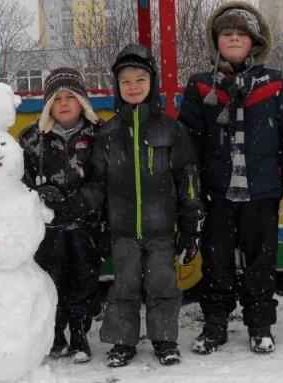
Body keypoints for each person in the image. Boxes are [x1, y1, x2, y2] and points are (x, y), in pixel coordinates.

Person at [178, 1, 283, 354]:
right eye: (226, 33)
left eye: (241, 33)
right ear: (215, 40)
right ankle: (216, 323)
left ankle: (260, 324)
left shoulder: (277, 84)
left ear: (255, 41)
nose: (234, 38)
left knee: (261, 263)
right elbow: (188, 143)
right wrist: (191, 191)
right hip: (217, 194)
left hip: (262, 193)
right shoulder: (201, 85)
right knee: (216, 262)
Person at [70, 43, 204, 368]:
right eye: (126, 81)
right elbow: (98, 184)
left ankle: (164, 339)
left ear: (151, 83)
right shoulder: (108, 134)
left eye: (140, 79)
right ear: (117, 86)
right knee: (124, 287)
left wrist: (190, 226)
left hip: (162, 229)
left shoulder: (170, 129)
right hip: (122, 230)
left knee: (162, 285)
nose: (133, 87)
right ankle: (122, 341)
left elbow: (187, 180)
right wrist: (99, 225)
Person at [18, 67, 103, 364]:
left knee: (84, 278)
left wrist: (81, 202)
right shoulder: (32, 138)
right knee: (50, 280)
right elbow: (19, 178)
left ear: (82, 101)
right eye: (57, 98)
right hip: (48, 228)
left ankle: (80, 333)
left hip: (85, 224)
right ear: (48, 105)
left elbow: (103, 178)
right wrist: (38, 195)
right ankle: (55, 334)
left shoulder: (97, 134)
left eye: (71, 97)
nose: (64, 103)